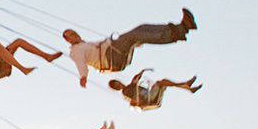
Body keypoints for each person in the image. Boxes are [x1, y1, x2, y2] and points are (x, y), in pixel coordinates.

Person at [63, 11, 195, 87]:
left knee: (141, 29)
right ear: (68, 40)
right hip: (111, 57)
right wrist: (83, 77)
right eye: (71, 36)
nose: (75, 36)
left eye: (74, 33)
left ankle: (181, 28)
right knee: (133, 36)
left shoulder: (83, 45)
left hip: (113, 52)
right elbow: (80, 63)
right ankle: (175, 34)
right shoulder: (75, 51)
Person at [108, 69, 200, 111]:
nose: (120, 84)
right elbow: (133, 101)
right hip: (149, 98)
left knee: (163, 82)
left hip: (150, 95)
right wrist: (140, 101)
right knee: (160, 82)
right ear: (117, 88)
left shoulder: (130, 86)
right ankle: (186, 85)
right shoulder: (125, 92)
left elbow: (135, 79)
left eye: (118, 82)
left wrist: (143, 71)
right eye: (118, 85)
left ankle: (188, 88)